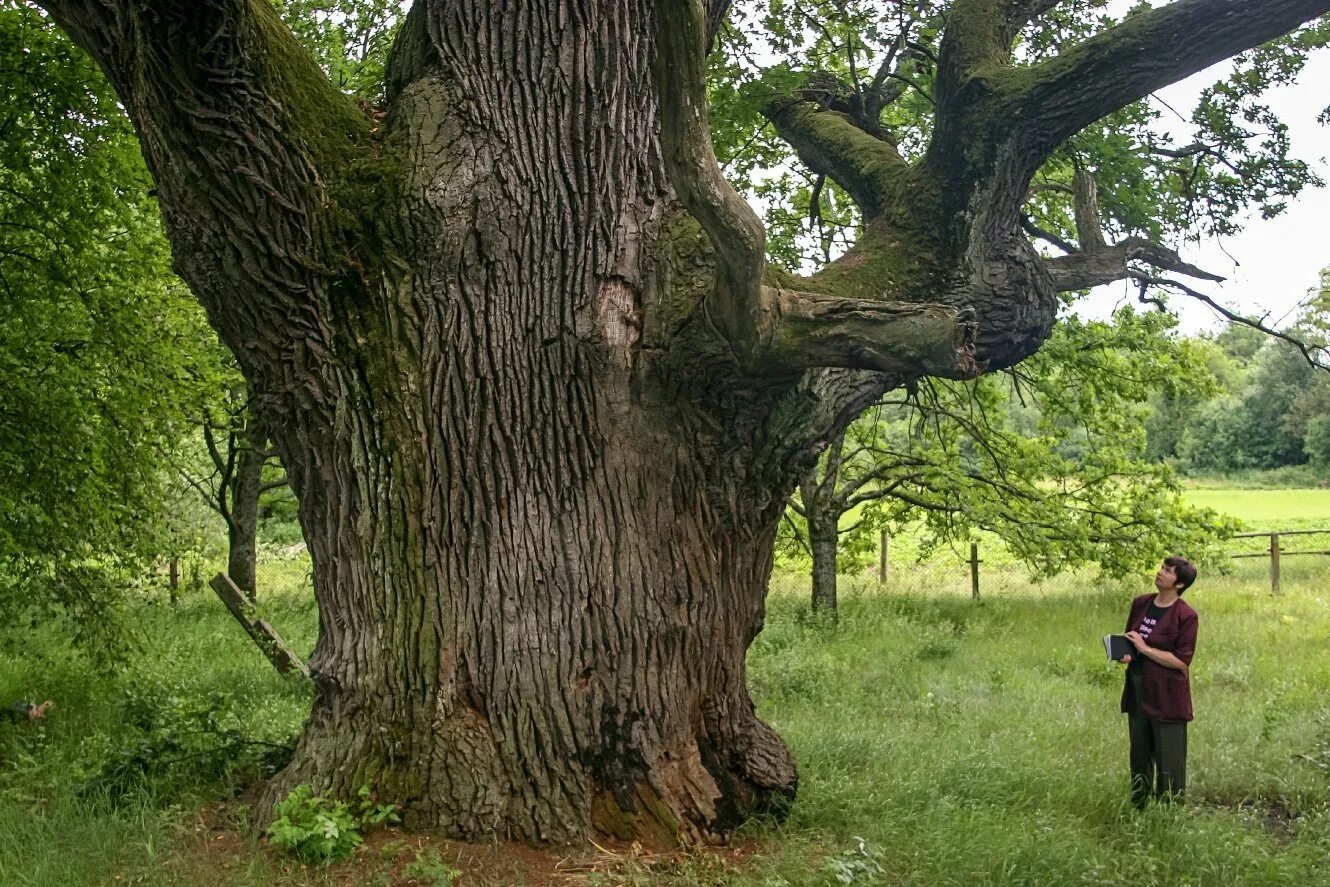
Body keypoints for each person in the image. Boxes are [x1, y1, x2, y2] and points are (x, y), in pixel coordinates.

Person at [1120, 556, 1198, 808]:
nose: (1160, 572)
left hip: (1168, 695)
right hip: (1138, 688)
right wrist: (1127, 652)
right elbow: (1132, 639)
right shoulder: (1141, 603)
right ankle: (1139, 806)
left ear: (1179, 584)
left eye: (1167, 571)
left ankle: (1169, 811)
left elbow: (1181, 661)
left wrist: (1145, 649)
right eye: (1162, 568)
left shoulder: (1185, 615)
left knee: (1169, 758)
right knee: (1139, 753)